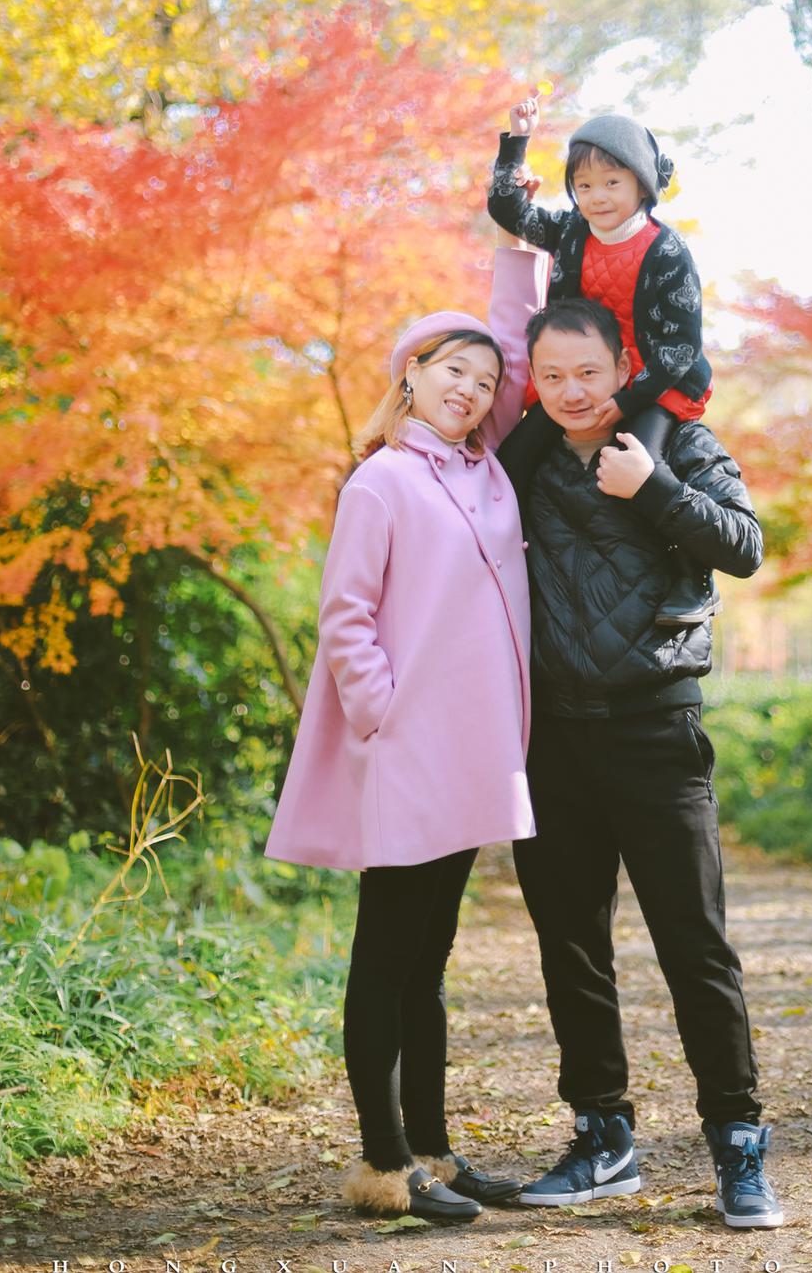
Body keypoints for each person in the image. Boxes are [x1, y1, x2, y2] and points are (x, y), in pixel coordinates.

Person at [489, 245, 784, 1231]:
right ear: (535, 383)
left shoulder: (679, 443)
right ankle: (601, 1136)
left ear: (624, 366)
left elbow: (744, 546)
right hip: (551, 743)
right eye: (553, 376)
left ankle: (738, 1144)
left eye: (589, 370)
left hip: (657, 732)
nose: (573, 391)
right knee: (570, 947)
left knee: (694, 946)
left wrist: (651, 487)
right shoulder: (522, 465)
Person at [264, 249, 548, 1224]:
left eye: (483, 381)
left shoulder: (487, 473)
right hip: (405, 753)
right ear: (411, 376)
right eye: (452, 371)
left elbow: (519, 355)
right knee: (385, 956)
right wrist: (384, 715)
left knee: (430, 962)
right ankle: (384, 1164)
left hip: (474, 756)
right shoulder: (382, 481)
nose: (471, 388)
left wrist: (517, 244)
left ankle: (432, 1151)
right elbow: (345, 617)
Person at [487, 99, 716, 626]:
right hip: (581, 378)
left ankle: (693, 575)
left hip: (654, 381)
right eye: (584, 185)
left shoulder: (667, 251)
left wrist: (626, 400)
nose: (597, 197)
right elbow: (507, 213)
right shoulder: (573, 231)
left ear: (641, 185)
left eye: (612, 183)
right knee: (514, 456)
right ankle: (500, 554)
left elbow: (681, 346)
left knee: (644, 465)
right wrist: (516, 144)